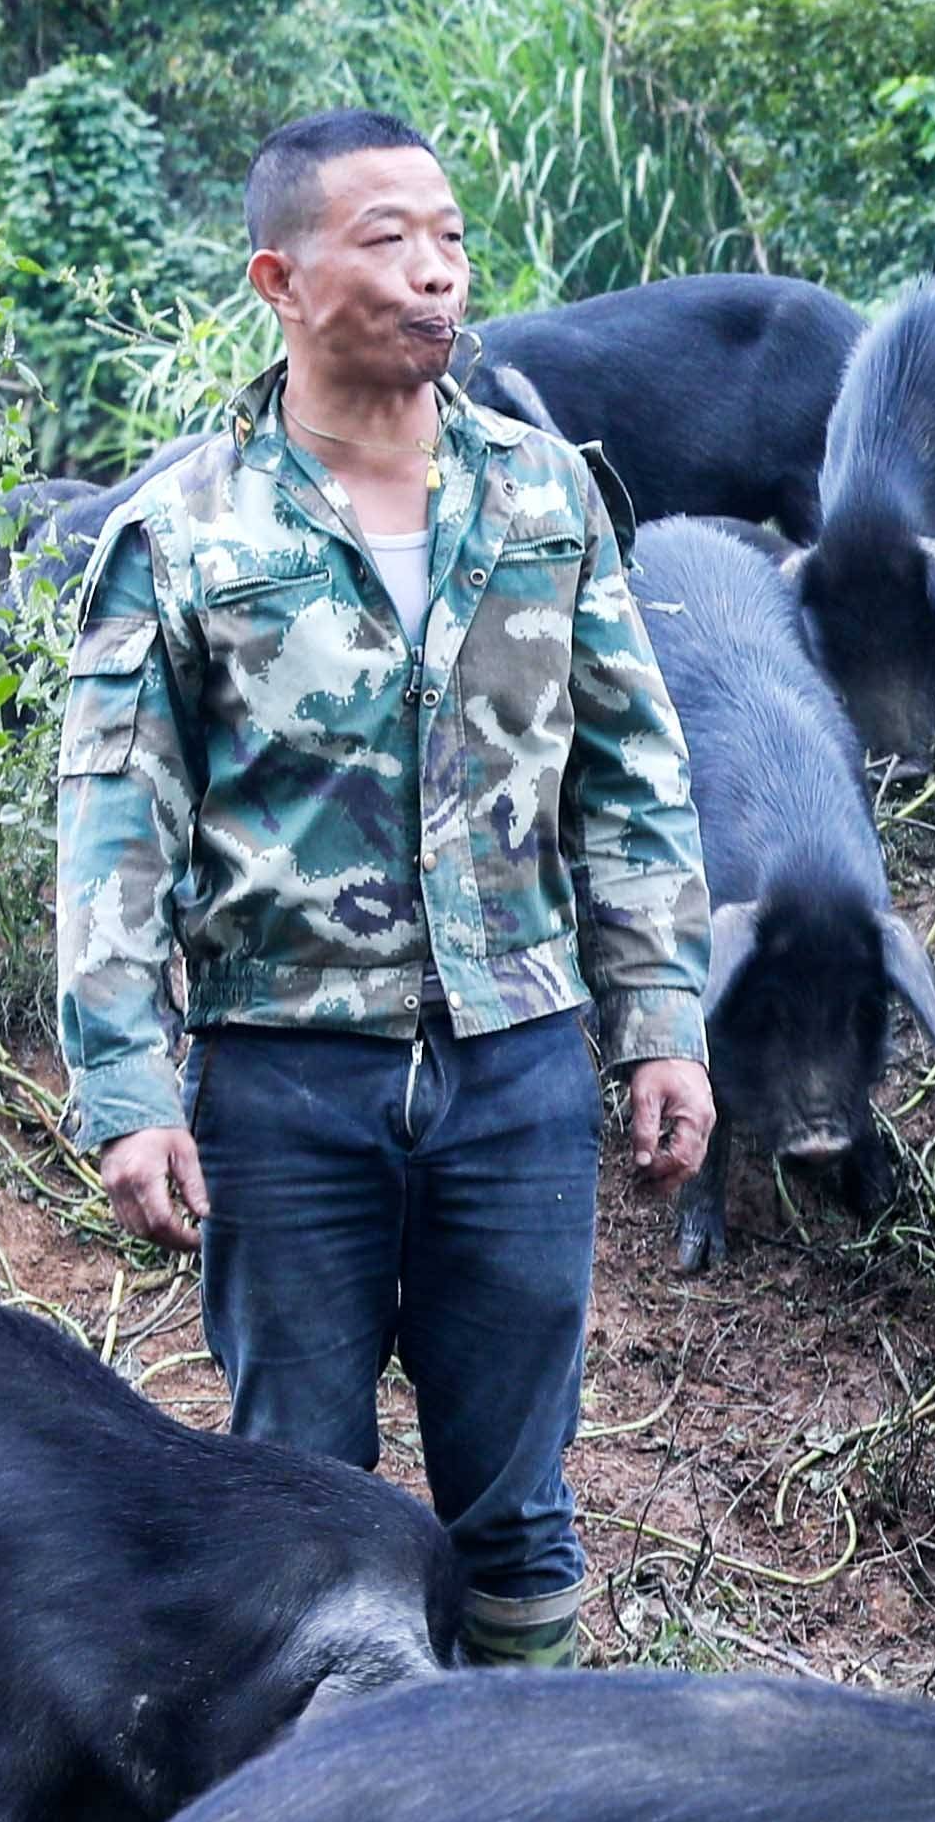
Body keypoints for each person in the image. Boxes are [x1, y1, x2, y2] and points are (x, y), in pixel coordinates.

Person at [52, 109, 716, 1667]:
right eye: (388, 239)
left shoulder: (547, 500)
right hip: (288, 1085)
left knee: (519, 1508)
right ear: (281, 278)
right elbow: (111, 827)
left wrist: (664, 1018)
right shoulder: (187, 529)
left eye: (452, 238)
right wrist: (129, 1086)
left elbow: (632, 773)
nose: (436, 274)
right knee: (298, 1498)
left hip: (517, 1070)